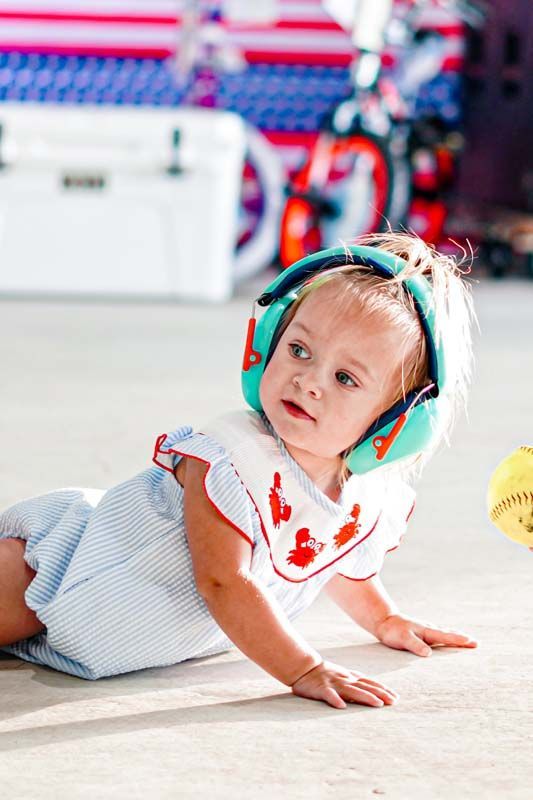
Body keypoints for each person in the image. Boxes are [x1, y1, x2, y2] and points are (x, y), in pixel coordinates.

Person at [0, 233, 477, 709]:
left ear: (400, 420)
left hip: (109, 624)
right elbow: (223, 581)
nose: (308, 381)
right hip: (67, 567)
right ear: (265, 341)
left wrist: (384, 619)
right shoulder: (228, 458)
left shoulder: (363, 498)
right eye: (299, 350)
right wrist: (303, 668)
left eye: (345, 378)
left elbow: (330, 557)